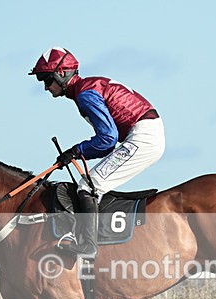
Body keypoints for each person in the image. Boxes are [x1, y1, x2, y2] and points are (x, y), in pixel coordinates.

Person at [29, 47, 165, 257]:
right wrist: (77, 152)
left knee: (88, 185)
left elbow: (108, 139)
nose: (46, 87)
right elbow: (107, 141)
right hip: (145, 133)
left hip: (143, 137)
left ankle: (88, 245)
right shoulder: (87, 88)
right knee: (91, 182)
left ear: (62, 73)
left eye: (47, 80)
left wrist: (76, 151)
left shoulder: (85, 94)